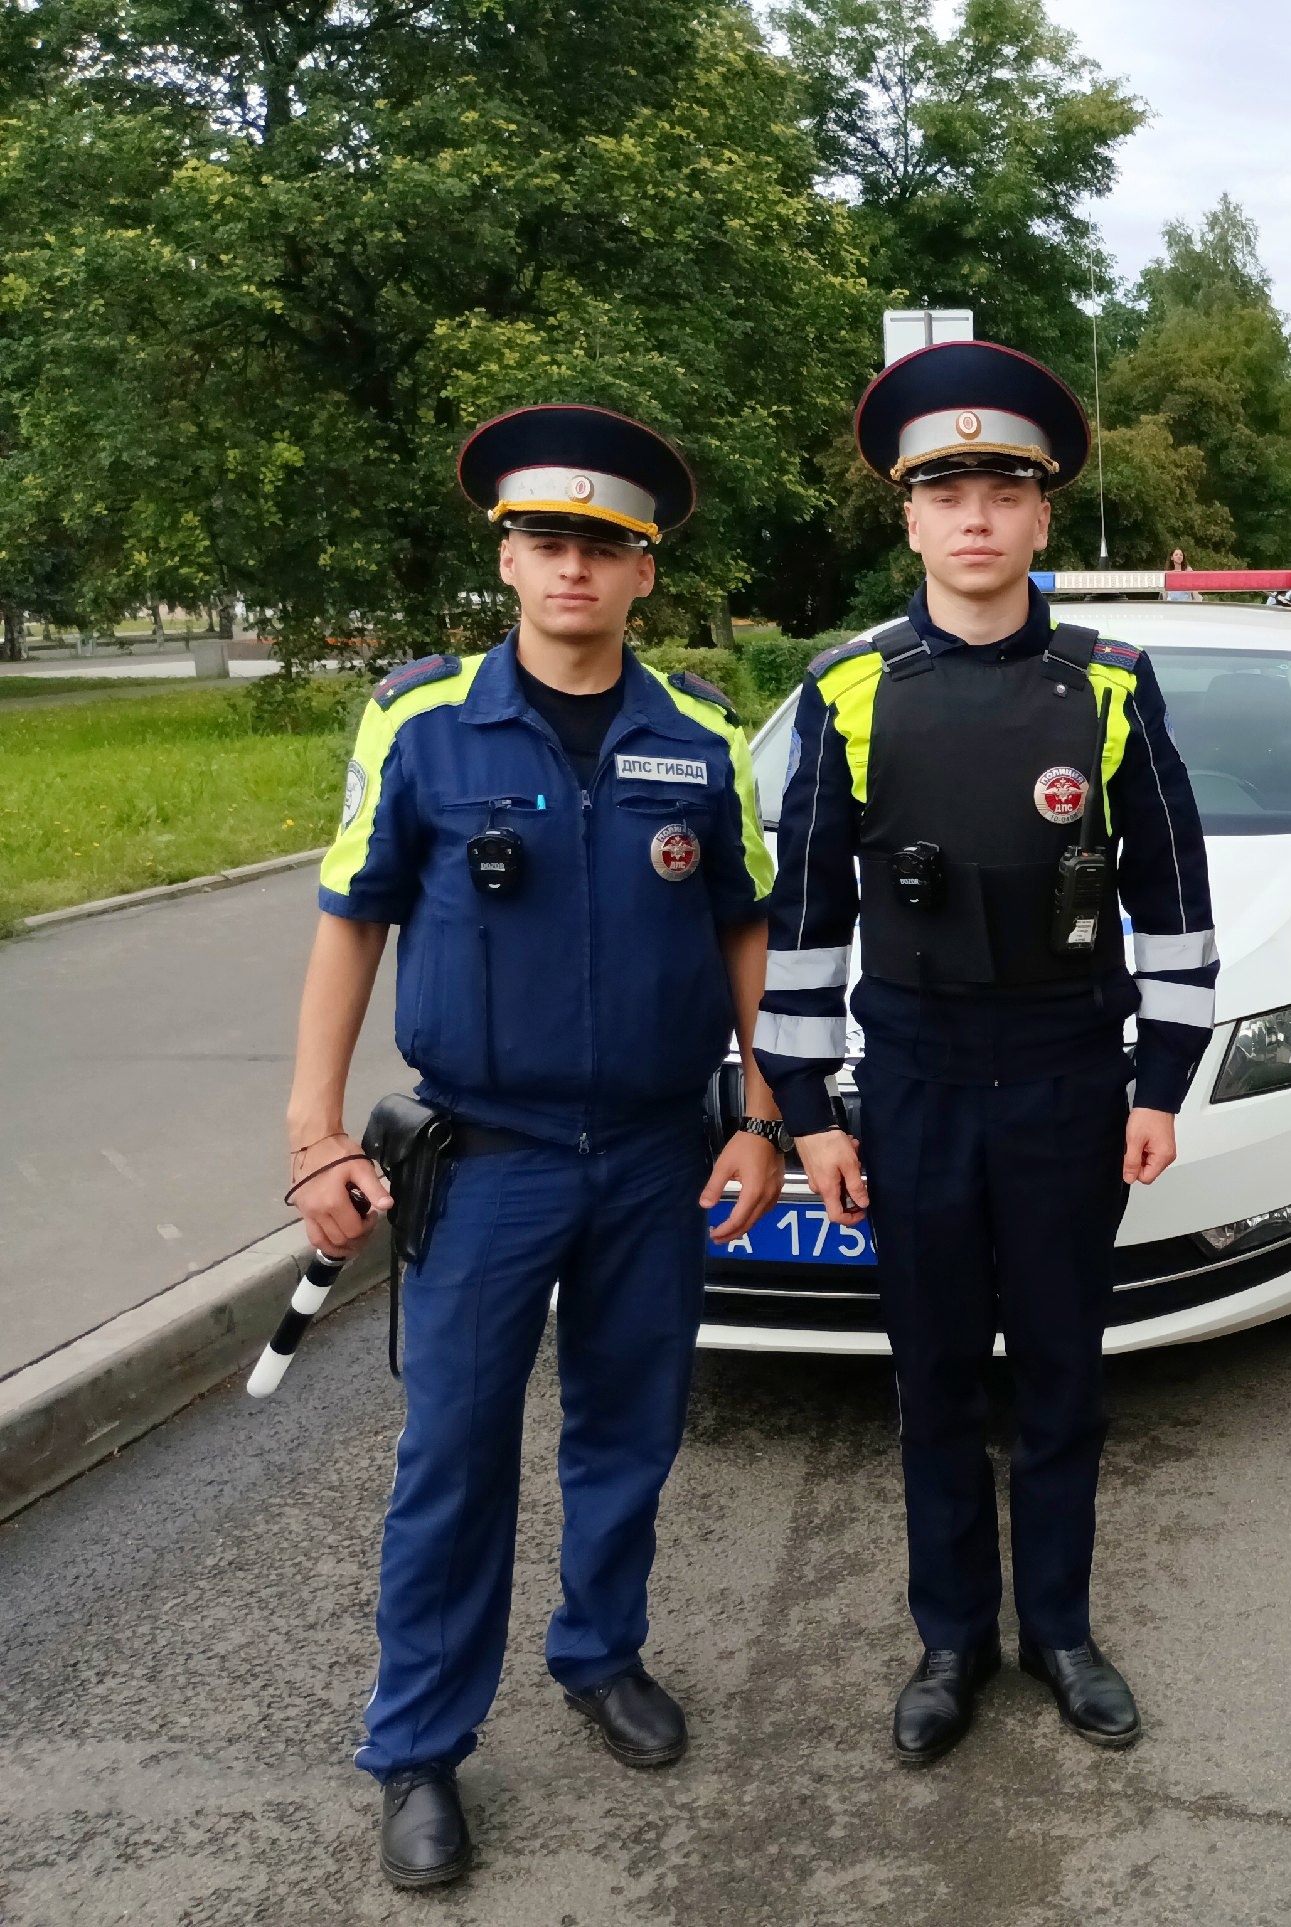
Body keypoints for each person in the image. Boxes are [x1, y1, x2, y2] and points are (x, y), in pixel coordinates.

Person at [284, 404, 787, 1889]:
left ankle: (599, 1653)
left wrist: (764, 1117)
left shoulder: (696, 734)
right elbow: (349, 921)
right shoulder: (424, 721)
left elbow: (745, 931)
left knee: (628, 1433)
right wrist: (314, 1136)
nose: (572, 566)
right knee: (452, 1457)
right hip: (489, 1163)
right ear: (507, 557)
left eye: (605, 547)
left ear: (644, 574)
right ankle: (421, 1748)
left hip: (650, 1152)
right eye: (546, 540)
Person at [754, 339, 1217, 1763]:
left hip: (1072, 1080)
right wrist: (808, 1116)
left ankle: (1061, 1634)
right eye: (943, 489)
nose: (973, 516)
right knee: (938, 1378)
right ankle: (951, 1641)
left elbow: (1176, 903)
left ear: (1040, 516)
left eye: (1001, 489)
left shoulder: (1115, 683)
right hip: (914, 1084)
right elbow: (808, 920)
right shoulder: (847, 690)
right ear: (908, 517)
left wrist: (1158, 1088)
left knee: (1067, 1373)